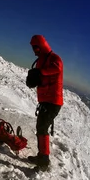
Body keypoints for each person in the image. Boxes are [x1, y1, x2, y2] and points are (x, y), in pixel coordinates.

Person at [26, 34, 63, 170]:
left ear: (41, 46)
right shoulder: (41, 61)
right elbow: (43, 79)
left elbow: (57, 68)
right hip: (46, 101)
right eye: (33, 48)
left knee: (42, 128)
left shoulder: (54, 58)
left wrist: (39, 72)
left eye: (35, 47)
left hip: (53, 101)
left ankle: (44, 161)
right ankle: (41, 156)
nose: (34, 50)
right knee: (40, 128)